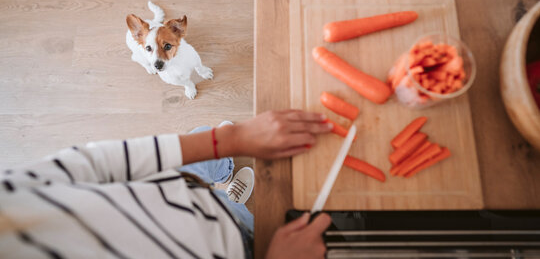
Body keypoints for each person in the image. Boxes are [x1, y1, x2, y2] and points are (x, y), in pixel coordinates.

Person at [0, 110, 333, 259]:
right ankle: (233, 205)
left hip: (181, 195)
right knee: (254, 226)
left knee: (207, 147)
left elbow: (93, 163)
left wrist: (234, 137)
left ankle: (223, 190)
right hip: (237, 252)